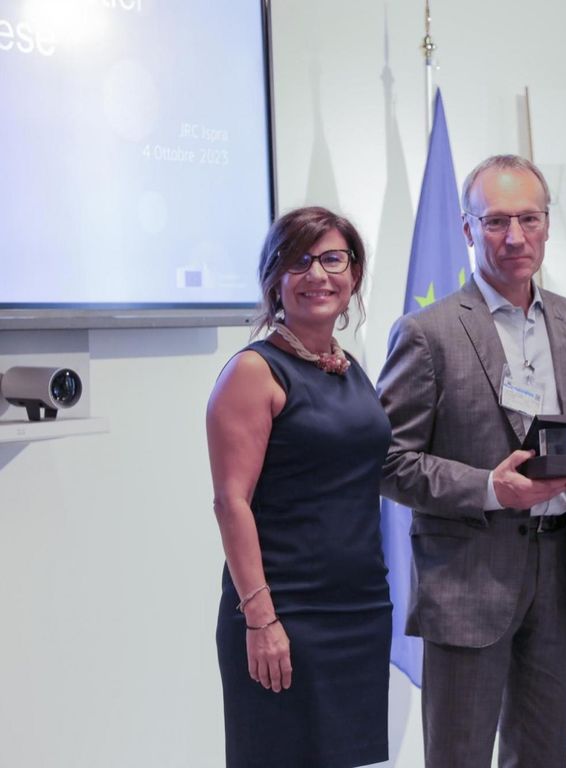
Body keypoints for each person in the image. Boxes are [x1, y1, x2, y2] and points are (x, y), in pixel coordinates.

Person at [377, 154, 566, 768]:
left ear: (547, 224)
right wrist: (490, 488)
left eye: (528, 219)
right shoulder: (427, 332)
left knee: (542, 755)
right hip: (468, 578)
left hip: (562, 570)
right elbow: (388, 461)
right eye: (495, 221)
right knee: (459, 756)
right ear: (468, 229)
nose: (515, 236)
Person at [207, 206, 391, 768]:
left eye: (333, 259)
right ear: (275, 279)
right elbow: (231, 502)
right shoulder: (253, 372)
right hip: (284, 613)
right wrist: (261, 619)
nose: (318, 275)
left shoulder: (348, 366)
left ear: (354, 273)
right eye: (299, 260)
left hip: (358, 609)